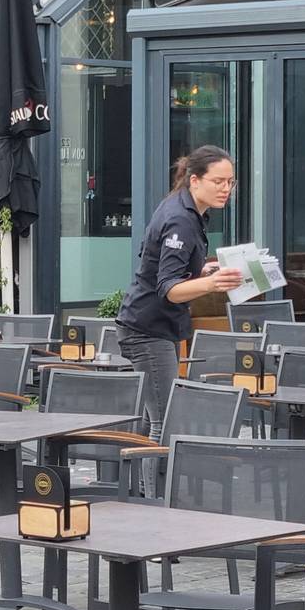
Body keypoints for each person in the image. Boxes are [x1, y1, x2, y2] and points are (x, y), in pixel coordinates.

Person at [116, 145, 244, 451]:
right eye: (218, 181)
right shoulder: (181, 219)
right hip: (148, 329)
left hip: (151, 325)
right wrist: (211, 283)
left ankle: (141, 491)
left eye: (231, 182)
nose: (226, 189)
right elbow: (169, 288)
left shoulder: (186, 209)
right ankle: (157, 496)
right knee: (165, 419)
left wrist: (202, 269)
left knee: (152, 419)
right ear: (195, 180)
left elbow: (166, 265)